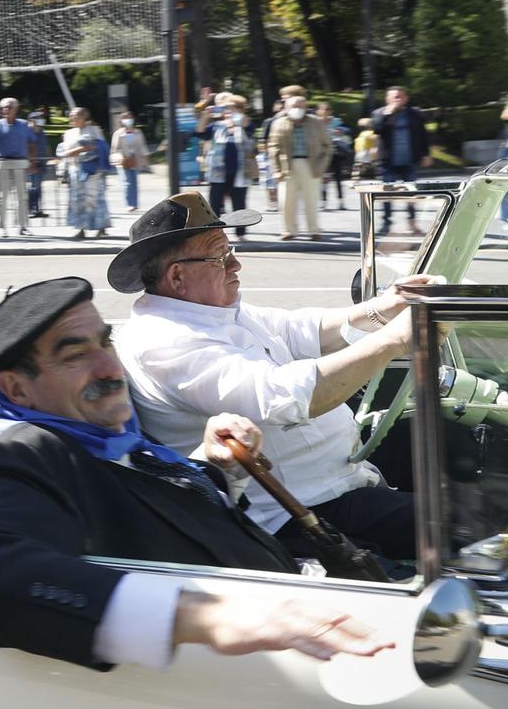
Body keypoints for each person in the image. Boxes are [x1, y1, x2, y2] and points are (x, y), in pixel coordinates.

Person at [0, 277, 393, 671]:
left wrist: (215, 466)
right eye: (76, 355)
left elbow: (146, 512)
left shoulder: (107, 440)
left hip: (306, 597)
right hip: (275, 653)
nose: (109, 367)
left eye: (105, 342)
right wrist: (207, 618)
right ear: (20, 389)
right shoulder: (25, 454)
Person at [110, 193, 431, 562]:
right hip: (297, 516)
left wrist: (384, 307)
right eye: (221, 256)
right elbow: (284, 397)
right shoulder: (164, 341)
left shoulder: (214, 309)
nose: (236, 265)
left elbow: (301, 329)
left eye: (231, 251)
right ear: (177, 276)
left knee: (457, 504)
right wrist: (396, 339)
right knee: (460, 529)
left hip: (338, 485)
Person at [265, 87, 331, 241]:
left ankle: (313, 230)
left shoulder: (316, 123)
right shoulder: (279, 123)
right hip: (287, 165)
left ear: (306, 108)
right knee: (286, 200)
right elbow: (273, 147)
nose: (297, 109)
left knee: (311, 199)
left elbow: (327, 146)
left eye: (300, 106)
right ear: (286, 108)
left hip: (311, 164)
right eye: (294, 106)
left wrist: (322, 166)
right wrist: (276, 170)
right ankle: (288, 230)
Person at [366, 87, 431, 235]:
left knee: (412, 194)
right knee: (387, 195)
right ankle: (386, 223)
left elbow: (423, 135)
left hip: (409, 161)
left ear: (406, 98)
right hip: (389, 162)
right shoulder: (379, 113)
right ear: (387, 99)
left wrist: (426, 154)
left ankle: (412, 223)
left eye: (401, 96)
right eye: (395, 97)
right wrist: (387, 113)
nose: (398, 99)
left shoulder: (414, 114)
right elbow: (376, 129)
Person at [201, 94, 255, 238]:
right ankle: (213, 233)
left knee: (239, 203)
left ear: (239, 109)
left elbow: (248, 127)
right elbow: (200, 131)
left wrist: (236, 121)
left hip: (239, 171)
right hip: (218, 171)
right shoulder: (216, 126)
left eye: (231, 107)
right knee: (215, 203)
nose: (227, 110)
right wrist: (206, 116)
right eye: (225, 107)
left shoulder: (245, 123)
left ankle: (241, 232)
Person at [56, 107, 112, 239]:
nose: (71, 118)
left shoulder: (94, 130)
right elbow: (63, 152)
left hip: (92, 171)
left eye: (75, 116)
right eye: (70, 116)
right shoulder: (68, 134)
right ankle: (81, 228)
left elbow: (102, 148)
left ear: (83, 117)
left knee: (94, 199)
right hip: (74, 169)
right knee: (78, 200)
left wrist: (86, 149)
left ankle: (101, 226)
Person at [0, 99, 34, 236]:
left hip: (20, 162)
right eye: (3, 108)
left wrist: (32, 161)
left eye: (9, 107)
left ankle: (22, 226)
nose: (5, 110)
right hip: (2, 162)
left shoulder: (23, 124)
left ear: (16, 108)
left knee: (22, 197)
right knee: (2, 197)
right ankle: (2, 227)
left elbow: (32, 143)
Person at [110, 109, 149, 211]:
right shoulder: (118, 133)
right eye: (124, 118)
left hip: (135, 159)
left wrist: (145, 157)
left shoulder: (137, 132)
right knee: (127, 182)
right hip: (123, 160)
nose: (127, 120)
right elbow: (115, 148)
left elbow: (142, 146)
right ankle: (129, 204)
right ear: (121, 121)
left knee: (134, 182)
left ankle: (135, 204)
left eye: (129, 117)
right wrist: (121, 158)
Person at [318, 103, 352, 209]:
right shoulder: (315, 122)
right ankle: (323, 202)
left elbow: (347, 129)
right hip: (321, 152)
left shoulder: (336, 121)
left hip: (335, 151)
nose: (326, 111)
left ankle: (341, 201)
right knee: (323, 178)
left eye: (328, 109)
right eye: (323, 109)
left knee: (338, 177)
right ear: (318, 111)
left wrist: (340, 130)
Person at [26, 111, 50, 219]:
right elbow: (28, 148)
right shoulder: (29, 132)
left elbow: (45, 145)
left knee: (38, 187)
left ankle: (38, 209)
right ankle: (32, 210)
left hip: (42, 162)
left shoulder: (41, 131)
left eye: (41, 117)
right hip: (32, 163)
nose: (41, 119)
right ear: (32, 120)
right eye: (38, 118)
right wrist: (32, 164)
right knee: (33, 188)